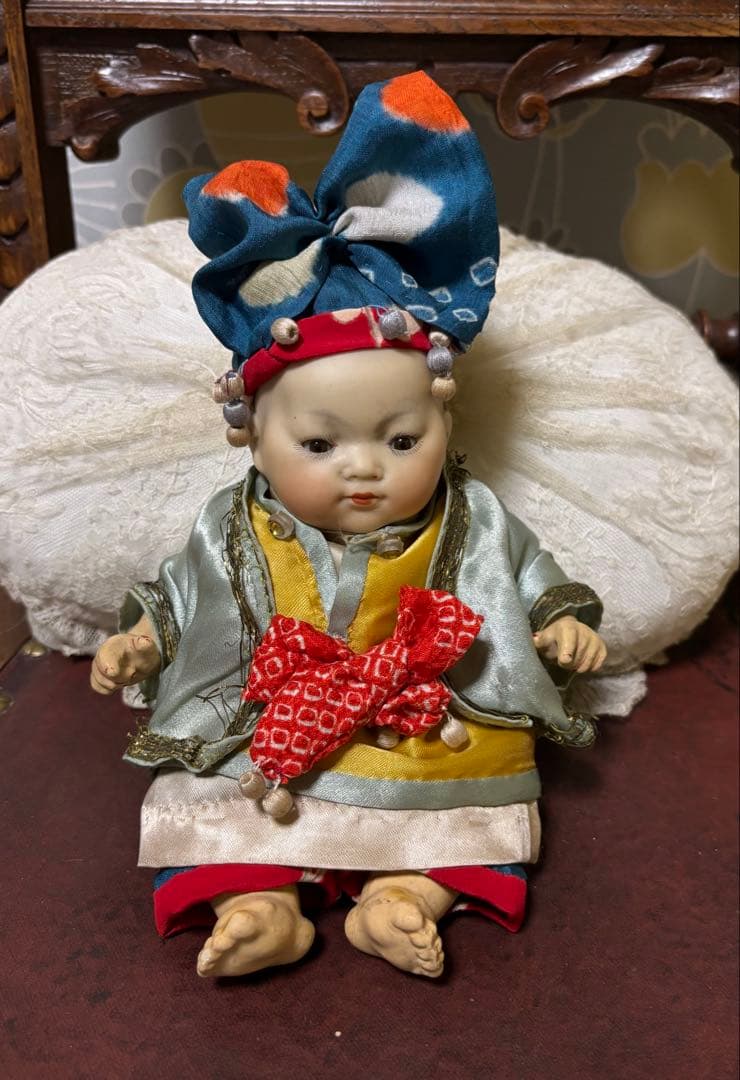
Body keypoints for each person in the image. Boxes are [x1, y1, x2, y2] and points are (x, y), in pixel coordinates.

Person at [91, 71, 606, 980]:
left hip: (426, 721)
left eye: (401, 439)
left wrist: (557, 620)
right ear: (252, 439)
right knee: (216, 816)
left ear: (445, 419)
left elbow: (526, 572)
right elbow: (182, 590)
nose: (364, 468)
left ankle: (405, 898)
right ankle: (259, 906)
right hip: (269, 723)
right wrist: (141, 639)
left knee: (472, 823)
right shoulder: (234, 525)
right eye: (321, 444)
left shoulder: (468, 515)